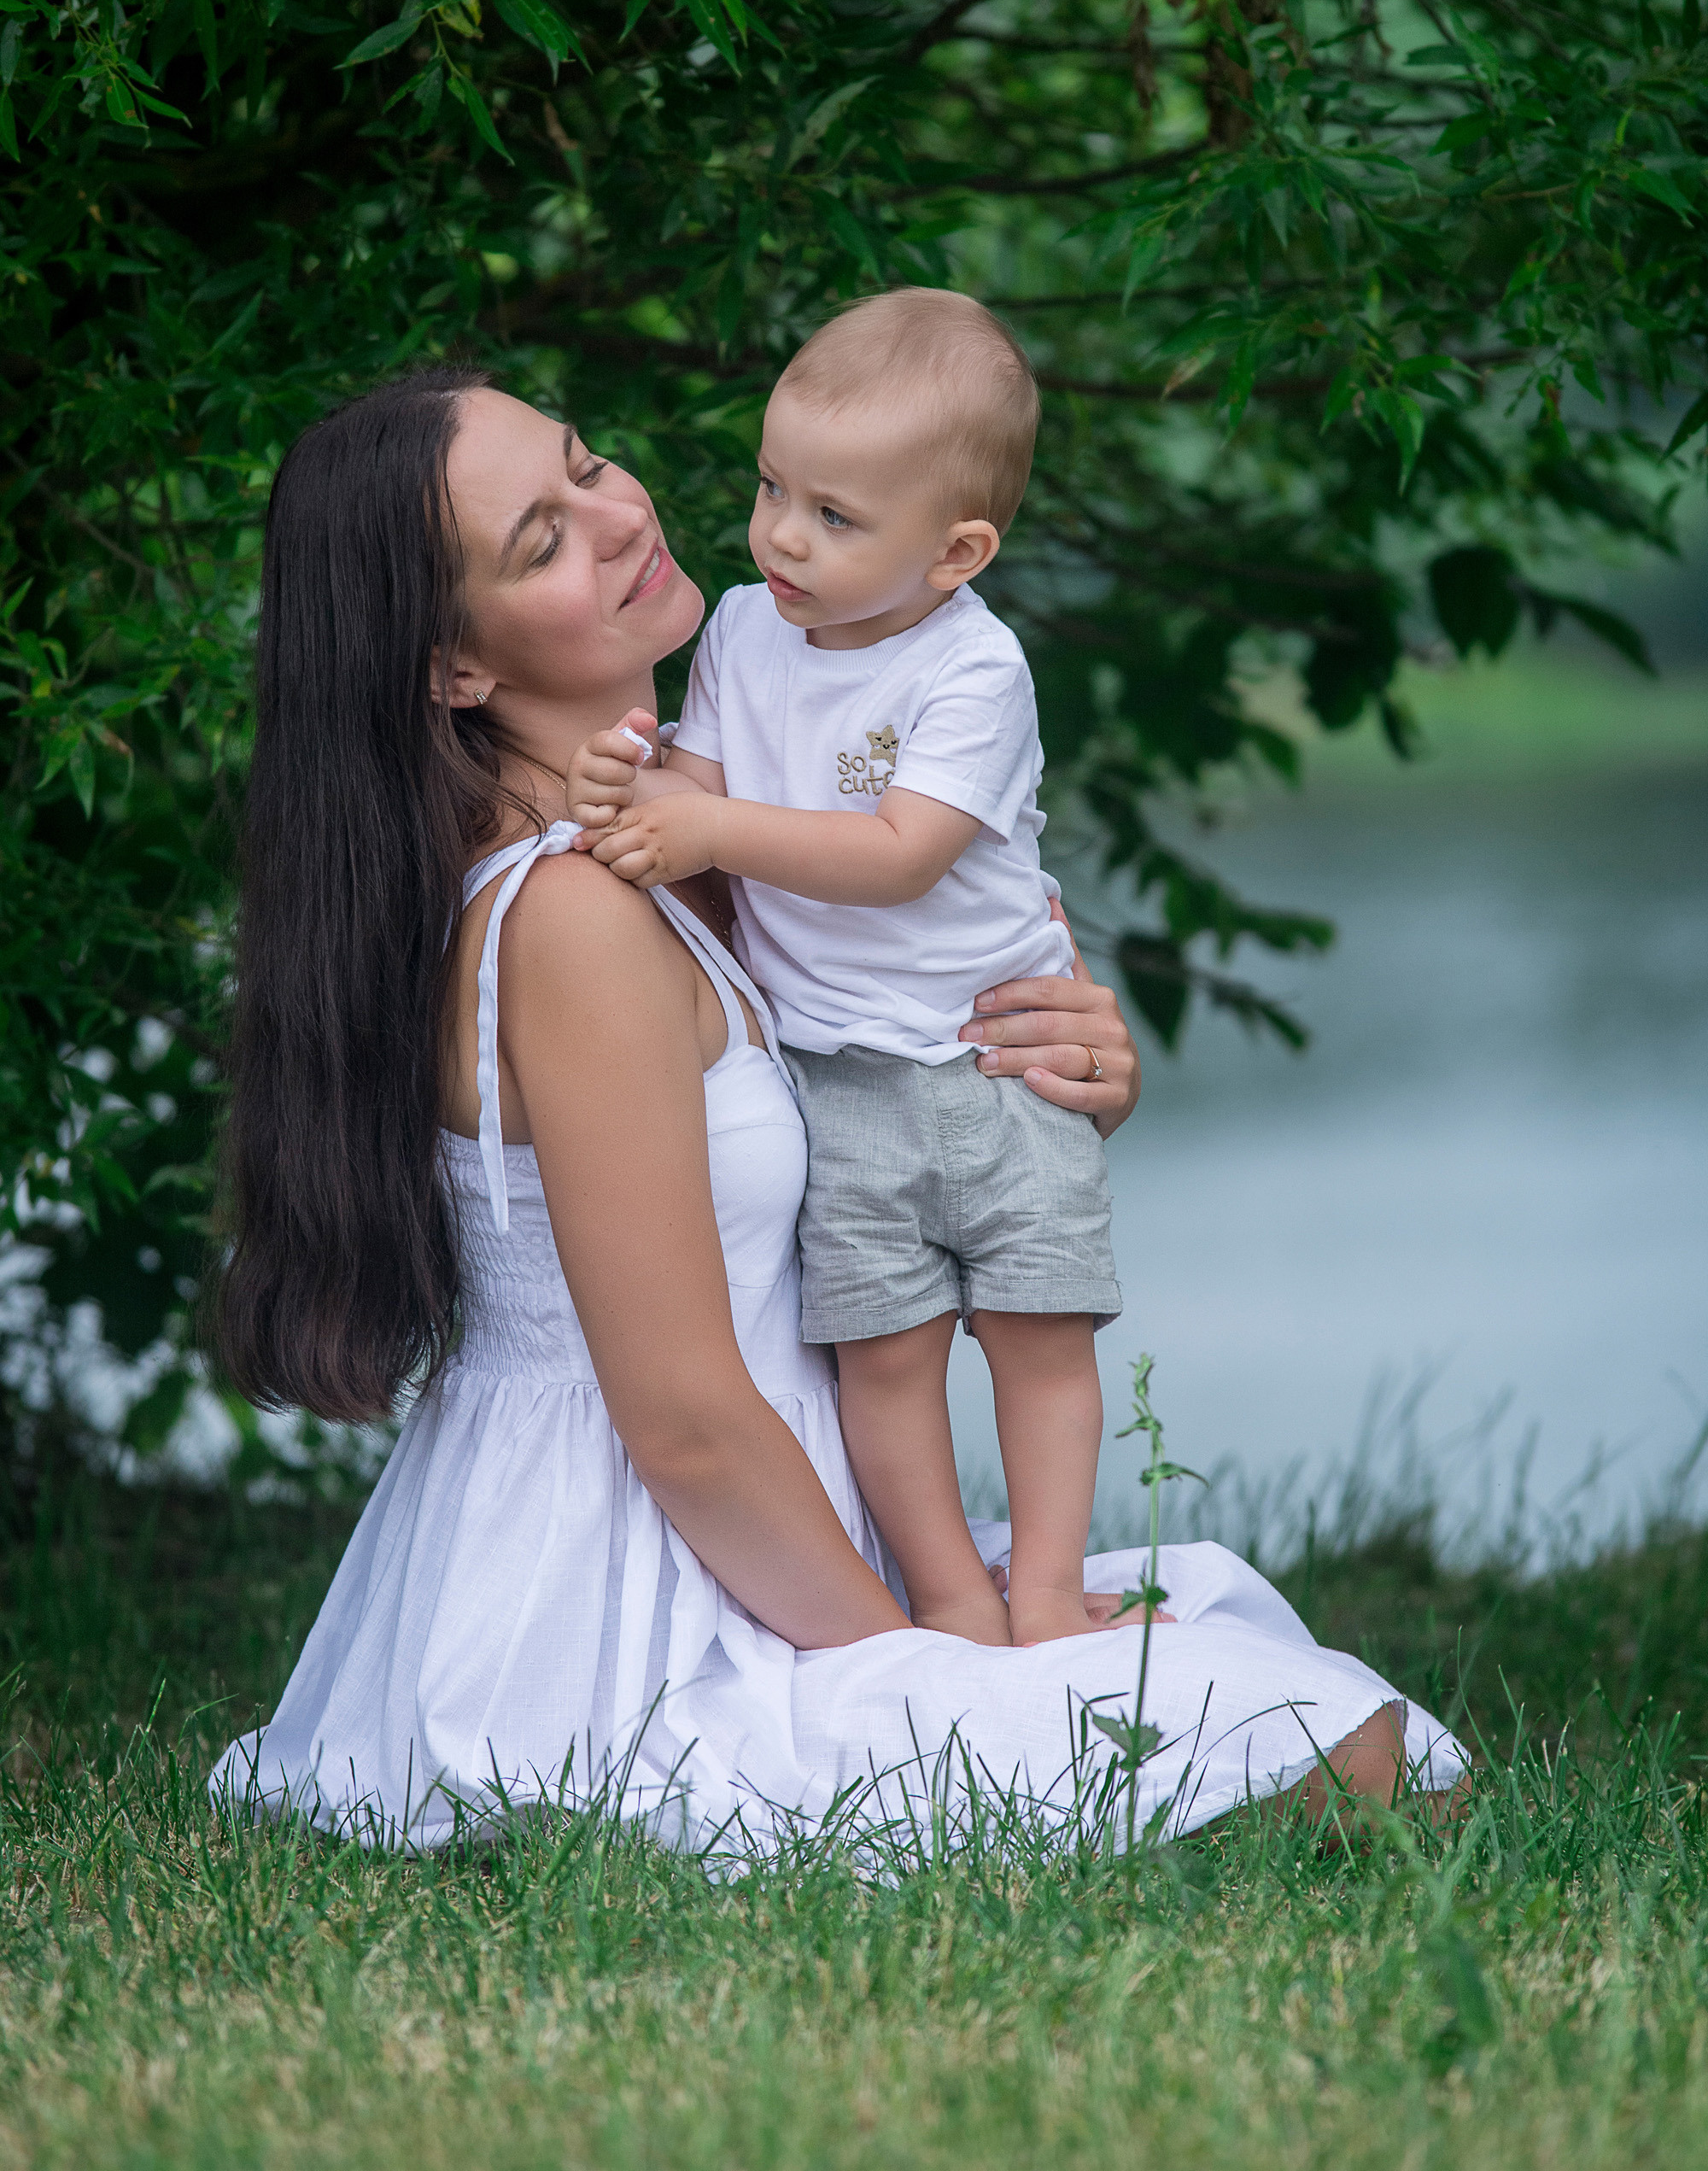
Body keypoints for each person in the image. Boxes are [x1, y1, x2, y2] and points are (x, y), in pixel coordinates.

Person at [208, 366, 1466, 1854]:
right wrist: (929, 1668)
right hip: (638, 1610)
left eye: (589, 463)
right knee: (1356, 1756)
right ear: (454, 669)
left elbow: (871, 1122)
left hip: (766, 1546)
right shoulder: (571, 919)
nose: (619, 518)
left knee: (1220, 1627)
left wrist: (1052, 1083)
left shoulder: (680, 843)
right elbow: (683, 1424)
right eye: (542, 542)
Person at [565, 290, 1117, 1647]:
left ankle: (1049, 1596)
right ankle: (949, 1601)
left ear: (956, 551)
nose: (782, 536)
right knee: (884, 1354)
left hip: (996, 1058)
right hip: (838, 1076)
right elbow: (698, 783)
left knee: (1040, 1337)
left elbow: (902, 852)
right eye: (772, 489)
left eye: (834, 516)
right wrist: (629, 784)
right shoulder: (744, 629)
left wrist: (704, 828)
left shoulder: (973, 670)